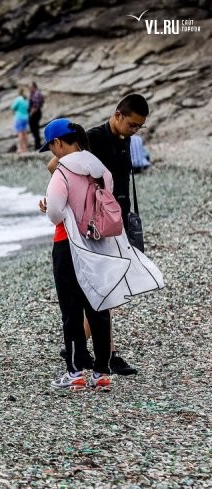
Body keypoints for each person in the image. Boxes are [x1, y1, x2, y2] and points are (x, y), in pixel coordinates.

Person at [37, 119, 113, 391]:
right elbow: (105, 203)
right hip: (97, 243)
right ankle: (102, 373)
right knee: (98, 306)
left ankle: (75, 372)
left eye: (51, 147)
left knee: (71, 309)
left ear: (58, 142)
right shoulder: (100, 169)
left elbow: (55, 212)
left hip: (67, 244)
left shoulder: (62, 171)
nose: (52, 153)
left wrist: (49, 209)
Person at [85, 93, 150, 375]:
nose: (134, 131)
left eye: (139, 127)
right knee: (108, 288)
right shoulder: (93, 138)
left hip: (118, 224)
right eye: (132, 124)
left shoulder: (124, 142)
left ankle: (78, 341)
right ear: (118, 114)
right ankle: (106, 353)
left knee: (110, 287)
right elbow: (59, 167)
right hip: (98, 225)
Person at [11, 88, 30, 153]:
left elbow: (13, 107)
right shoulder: (25, 99)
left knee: (20, 133)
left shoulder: (18, 99)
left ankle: (21, 149)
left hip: (19, 117)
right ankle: (26, 148)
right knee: (25, 133)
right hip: (26, 117)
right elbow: (28, 108)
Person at [28, 82, 45, 149]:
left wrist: (31, 113)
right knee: (34, 128)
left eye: (30, 87)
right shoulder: (33, 94)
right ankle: (37, 144)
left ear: (34, 87)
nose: (29, 88)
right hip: (35, 113)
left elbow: (36, 105)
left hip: (35, 113)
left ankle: (37, 145)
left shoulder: (37, 94)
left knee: (35, 128)